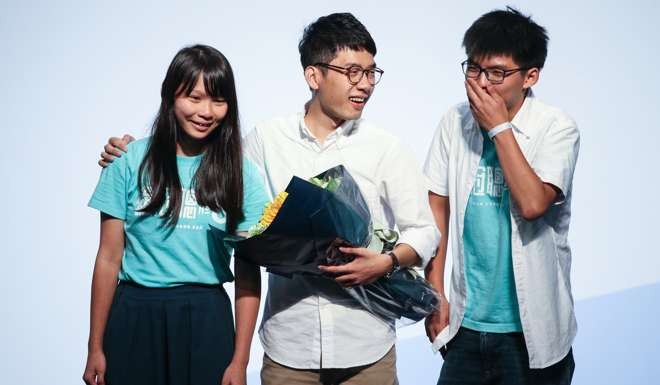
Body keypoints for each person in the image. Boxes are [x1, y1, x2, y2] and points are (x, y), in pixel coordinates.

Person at [99, 13, 439, 385]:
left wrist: (385, 261)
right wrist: (137, 154)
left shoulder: (386, 147)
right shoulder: (266, 140)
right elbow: (217, 181)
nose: (366, 84)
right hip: (288, 347)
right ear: (314, 76)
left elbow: (424, 231)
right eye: (353, 72)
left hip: (366, 344)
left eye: (372, 72)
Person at [82, 44, 269, 385]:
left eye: (218, 100)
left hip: (206, 316)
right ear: (170, 96)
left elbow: (248, 273)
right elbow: (108, 258)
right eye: (194, 98)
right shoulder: (127, 160)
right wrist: (95, 346)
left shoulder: (240, 174)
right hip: (134, 313)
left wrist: (240, 361)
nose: (206, 111)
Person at [423, 7, 579, 385]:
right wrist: (435, 293)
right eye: (473, 69)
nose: (481, 84)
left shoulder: (556, 128)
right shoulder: (454, 121)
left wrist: (499, 127)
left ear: (530, 76)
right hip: (464, 325)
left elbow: (532, 204)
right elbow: (436, 207)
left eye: (496, 73)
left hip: (532, 335)